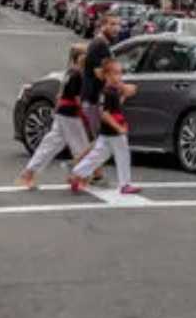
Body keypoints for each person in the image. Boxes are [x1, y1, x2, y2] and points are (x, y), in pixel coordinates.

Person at [16, 45, 90, 189]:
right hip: (70, 113)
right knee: (81, 146)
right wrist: (84, 114)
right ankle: (77, 177)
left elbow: (60, 94)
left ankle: (29, 173)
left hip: (63, 112)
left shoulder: (70, 73)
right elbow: (76, 99)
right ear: (80, 58)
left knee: (50, 144)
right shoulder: (77, 75)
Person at [69, 58, 140, 195]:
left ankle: (76, 175)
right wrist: (119, 128)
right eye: (115, 73)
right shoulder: (108, 93)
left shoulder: (109, 91)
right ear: (107, 75)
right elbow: (105, 114)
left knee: (97, 156)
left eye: (120, 73)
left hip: (106, 133)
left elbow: (114, 108)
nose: (119, 77)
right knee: (123, 155)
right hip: (114, 132)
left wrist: (124, 95)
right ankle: (125, 185)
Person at [80, 15, 119, 184]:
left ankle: (95, 174)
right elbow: (98, 72)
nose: (116, 28)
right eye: (112, 24)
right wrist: (117, 83)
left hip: (93, 98)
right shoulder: (99, 44)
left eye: (118, 25)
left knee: (99, 139)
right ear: (102, 25)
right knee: (99, 139)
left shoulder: (102, 44)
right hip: (92, 99)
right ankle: (77, 167)